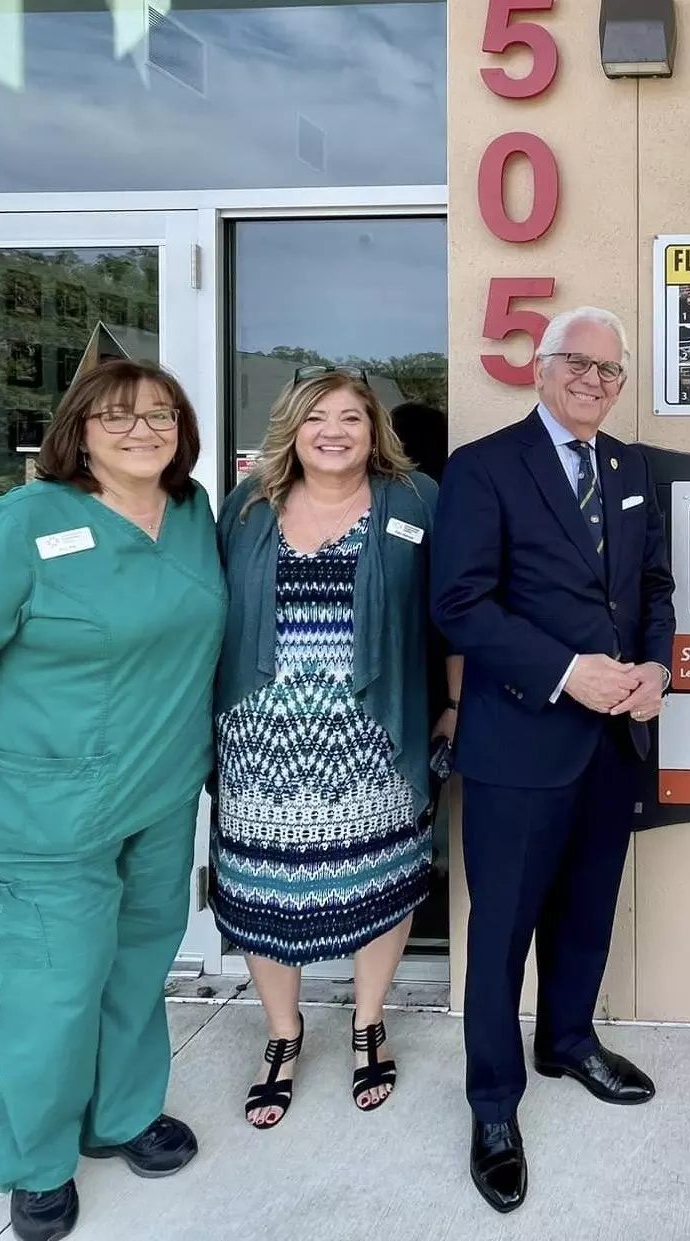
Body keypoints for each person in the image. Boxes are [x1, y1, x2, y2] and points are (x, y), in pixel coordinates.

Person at [0, 359, 225, 1241]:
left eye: (160, 414)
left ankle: (120, 1114)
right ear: (77, 429)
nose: (141, 429)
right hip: (44, 808)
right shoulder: (19, 524)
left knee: (135, 965)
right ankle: (37, 1162)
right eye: (118, 416)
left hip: (157, 795)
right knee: (53, 991)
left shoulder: (192, 514)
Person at [430, 306, 675, 1214]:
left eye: (610, 371)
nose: (595, 381)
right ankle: (493, 1103)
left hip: (615, 743)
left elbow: (653, 586)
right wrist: (569, 672)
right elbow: (459, 602)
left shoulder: (632, 467)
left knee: (585, 913)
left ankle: (568, 1039)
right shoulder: (485, 468)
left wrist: (657, 667)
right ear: (540, 366)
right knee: (499, 936)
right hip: (520, 742)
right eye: (579, 363)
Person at [213, 366, 455, 1128]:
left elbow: (451, 610)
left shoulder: (416, 498)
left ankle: (368, 1021)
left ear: (372, 429)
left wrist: (452, 703)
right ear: (293, 427)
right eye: (319, 417)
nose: (335, 431)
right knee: (261, 892)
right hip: (261, 735)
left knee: (382, 881)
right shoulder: (247, 508)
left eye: (352, 417)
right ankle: (282, 1035)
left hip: (373, 734)